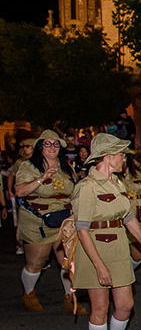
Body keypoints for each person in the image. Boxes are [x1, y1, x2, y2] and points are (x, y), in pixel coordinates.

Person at [71, 134, 141, 330]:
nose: (124, 158)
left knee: (125, 305)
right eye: (120, 154)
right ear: (108, 157)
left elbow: (129, 217)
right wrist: (99, 266)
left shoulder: (118, 182)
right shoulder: (87, 186)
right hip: (95, 249)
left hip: (119, 246)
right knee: (100, 307)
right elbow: (82, 229)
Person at [15, 131, 82, 313]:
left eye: (55, 144)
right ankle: (28, 294)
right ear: (40, 146)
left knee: (68, 261)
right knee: (36, 262)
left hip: (63, 219)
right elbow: (19, 191)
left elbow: (74, 191)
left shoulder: (66, 167)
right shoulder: (29, 166)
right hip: (38, 220)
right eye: (47, 144)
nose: (52, 147)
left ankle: (70, 298)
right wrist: (41, 178)